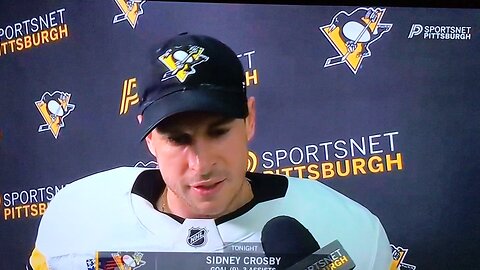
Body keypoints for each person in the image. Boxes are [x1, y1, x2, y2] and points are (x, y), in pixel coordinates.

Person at [28, 33, 393, 270]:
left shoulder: (347, 227)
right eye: (177, 139)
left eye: (218, 132)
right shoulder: (77, 212)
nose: (201, 165)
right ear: (149, 137)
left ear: (249, 119)